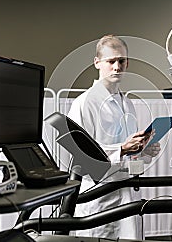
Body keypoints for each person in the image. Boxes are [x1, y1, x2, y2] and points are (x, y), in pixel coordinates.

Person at [67, 35, 160, 240]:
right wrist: (123, 149)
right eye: (111, 61)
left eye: (121, 61)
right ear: (97, 63)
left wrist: (144, 152)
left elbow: (130, 161)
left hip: (127, 196)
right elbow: (81, 158)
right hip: (99, 198)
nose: (117, 67)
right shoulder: (84, 104)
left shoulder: (127, 104)